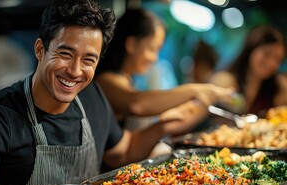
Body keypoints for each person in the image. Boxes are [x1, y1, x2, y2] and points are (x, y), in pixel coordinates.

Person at [0, 0, 233, 185]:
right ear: (41, 49)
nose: (75, 71)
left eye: (88, 59)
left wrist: (164, 125)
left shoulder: (93, 98)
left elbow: (124, 151)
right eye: (65, 53)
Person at [94, 8, 234, 145]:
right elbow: (136, 103)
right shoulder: (106, 80)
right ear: (131, 44)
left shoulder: (128, 81)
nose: (154, 58)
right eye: (152, 49)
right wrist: (194, 90)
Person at [210, 25, 287, 117]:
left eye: (278, 59)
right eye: (267, 54)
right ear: (251, 49)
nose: (272, 63)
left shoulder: (279, 87)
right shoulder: (224, 80)